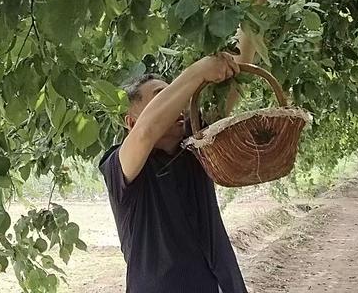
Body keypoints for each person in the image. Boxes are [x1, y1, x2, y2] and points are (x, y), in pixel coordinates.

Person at [99, 44, 255, 292]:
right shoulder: (119, 165)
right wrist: (198, 72)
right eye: (161, 97)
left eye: (173, 96)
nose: (176, 105)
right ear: (131, 122)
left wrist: (253, 13)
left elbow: (233, 73)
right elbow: (145, 133)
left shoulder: (198, 145)